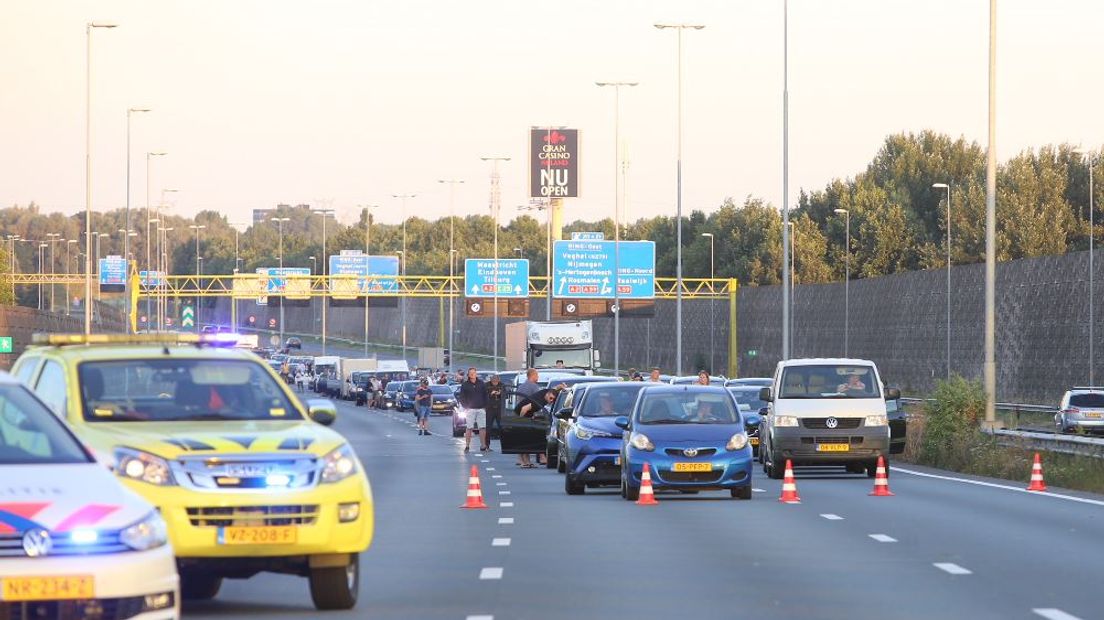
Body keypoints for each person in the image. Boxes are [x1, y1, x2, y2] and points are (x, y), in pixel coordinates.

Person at [516, 386, 561, 468]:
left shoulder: (547, 392)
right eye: (551, 398)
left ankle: (527, 462)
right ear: (548, 394)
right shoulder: (538, 401)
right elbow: (524, 409)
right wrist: (521, 422)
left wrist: (561, 387)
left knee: (528, 439)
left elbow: (554, 389)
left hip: (528, 413)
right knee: (523, 437)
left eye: (553, 400)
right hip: (521, 413)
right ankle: (523, 462)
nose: (551, 401)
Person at [457, 367, 489, 453]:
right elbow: (462, 397)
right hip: (470, 409)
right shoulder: (465, 384)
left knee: (482, 427)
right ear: (468, 374)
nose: (472, 374)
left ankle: (483, 445)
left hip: (481, 408)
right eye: (470, 373)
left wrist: (485, 406)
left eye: (473, 373)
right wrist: (466, 407)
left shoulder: (481, 383)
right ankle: (467, 446)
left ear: (476, 373)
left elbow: (486, 395)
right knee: (469, 427)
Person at [486, 374, 505, 446]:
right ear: (491, 380)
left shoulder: (502, 385)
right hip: (489, 409)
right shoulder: (486, 385)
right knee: (488, 427)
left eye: (496, 381)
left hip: (499, 409)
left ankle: (504, 445)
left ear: (498, 380)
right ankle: (487, 445)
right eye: (493, 381)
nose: (495, 383)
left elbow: (506, 396)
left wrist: (500, 394)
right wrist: (490, 394)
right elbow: (483, 395)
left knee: (502, 427)